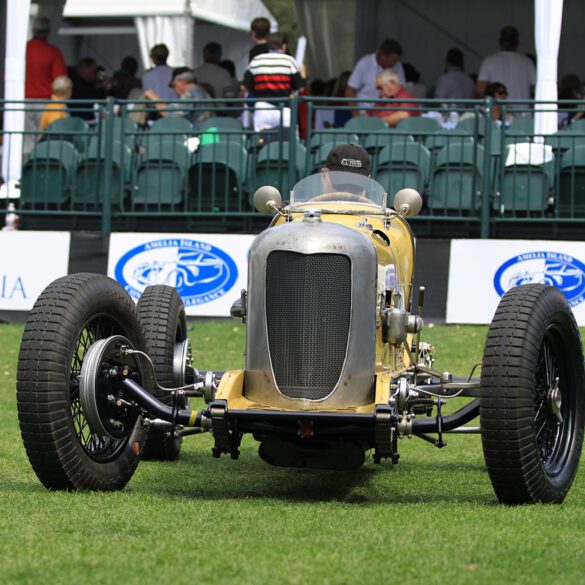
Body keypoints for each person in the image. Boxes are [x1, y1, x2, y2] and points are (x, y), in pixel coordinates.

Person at [243, 33, 304, 133]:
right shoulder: (289, 61)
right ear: (283, 46)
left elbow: (245, 86)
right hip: (284, 108)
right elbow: (300, 88)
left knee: (261, 143)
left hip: (262, 108)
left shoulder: (256, 61)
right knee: (287, 142)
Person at [25, 17, 68, 150]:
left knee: (27, 140)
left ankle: (26, 167)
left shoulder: (22, 50)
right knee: (42, 140)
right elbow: (61, 80)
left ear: (33, 30)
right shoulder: (53, 52)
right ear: (47, 32)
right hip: (45, 103)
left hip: (23, 102)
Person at [346, 39, 406, 115]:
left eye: (397, 60)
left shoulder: (397, 65)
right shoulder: (364, 64)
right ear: (383, 55)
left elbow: (401, 90)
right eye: (393, 60)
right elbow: (350, 90)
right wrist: (357, 116)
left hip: (388, 115)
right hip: (364, 115)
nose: (395, 63)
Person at [476, 26, 535, 102]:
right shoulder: (528, 62)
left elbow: (479, 91)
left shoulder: (489, 61)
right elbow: (536, 89)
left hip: (499, 111)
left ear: (500, 41)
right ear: (517, 42)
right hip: (522, 110)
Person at [144, 68, 211, 124]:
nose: (174, 89)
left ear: (180, 82)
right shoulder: (200, 90)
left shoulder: (190, 93)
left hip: (199, 133)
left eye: (174, 85)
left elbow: (169, 113)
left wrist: (153, 97)